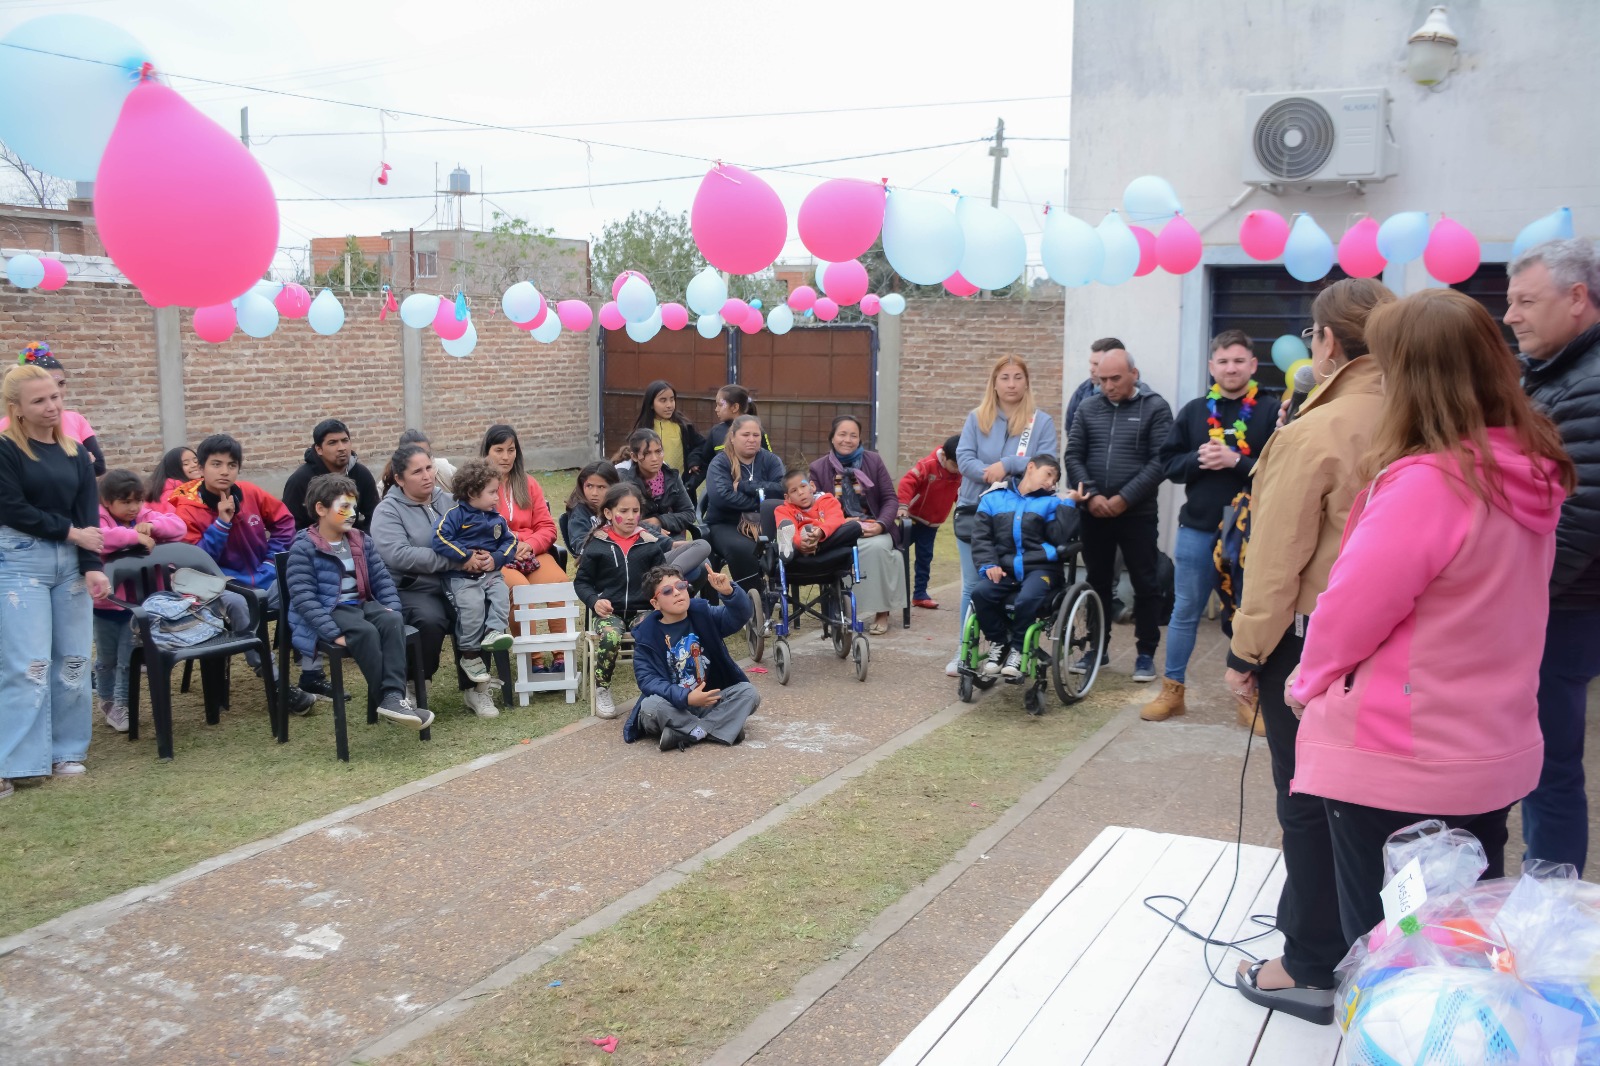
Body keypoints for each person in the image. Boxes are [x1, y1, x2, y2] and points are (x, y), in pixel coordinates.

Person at [1281, 289, 1572, 998]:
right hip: (1486, 743)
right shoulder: (1530, 468)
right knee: (1460, 947)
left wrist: (1304, 684)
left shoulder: (1431, 481)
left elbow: (1351, 611)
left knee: (1390, 960)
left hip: (1396, 751)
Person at [1222, 278, 1394, 1019]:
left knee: (1309, 803)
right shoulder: (1430, 409)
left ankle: (1311, 961)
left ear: (1326, 342)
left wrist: (1246, 652)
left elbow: (1276, 560)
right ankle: (1378, 954)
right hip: (1402, 649)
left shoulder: (1317, 430)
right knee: (1377, 812)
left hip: (1314, 646)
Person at [1505, 238, 1600, 875]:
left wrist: (1511, 602)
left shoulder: (1588, 388)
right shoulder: (1553, 374)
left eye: (1525, 301)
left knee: (1549, 766)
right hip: (1553, 603)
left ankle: (1553, 905)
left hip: (1562, 608)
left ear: (1577, 298)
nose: (1510, 315)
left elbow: (1580, 520)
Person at [1143, 331, 1279, 726]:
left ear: (1252, 365)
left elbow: (1282, 472)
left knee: (1247, 614)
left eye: (1239, 361)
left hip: (1252, 532)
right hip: (1198, 527)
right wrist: (1198, 459)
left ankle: (1248, 698)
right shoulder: (1194, 411)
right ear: (1211, 367)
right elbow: (1167, 465)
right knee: (1185, 609)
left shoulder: (1272, 411)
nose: (1231, 368)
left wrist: (1236, 461)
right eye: (1223, 361)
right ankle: (1172, 692)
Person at [0, 364, 111, 799]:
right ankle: (14, 760)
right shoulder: (6, 449)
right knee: (27, 665)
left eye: (55, 396)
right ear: (17, 409)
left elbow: (87, 513)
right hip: (19, 561)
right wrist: (71, 533)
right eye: (39, 401)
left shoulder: (75, 453)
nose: (52, 406)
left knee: (73, 661)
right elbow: (9, 508)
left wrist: (93, 563)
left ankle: (67, 750)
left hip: (70, 564)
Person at [169, 433, 318, 714]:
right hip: (217, 587)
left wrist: (272, 563)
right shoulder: (185, 508)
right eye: (216, 464)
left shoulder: (250, 492)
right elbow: (196, 563)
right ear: (201, 468)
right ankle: (276, 685)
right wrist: (221, 524)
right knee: (240, 604)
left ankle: (312, 672)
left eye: (232, 464)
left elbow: (285, 522)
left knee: (302, 589)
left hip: (262, 577)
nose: (225, 471)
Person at [286, 474, 432, 729]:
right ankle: (393, 700)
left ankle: (392, 698)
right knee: (364, 631)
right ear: (320, 509)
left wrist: (392, 608)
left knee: (393, 620)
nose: (352, 513)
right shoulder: (305, 546)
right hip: (329, 609)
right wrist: (331, 633)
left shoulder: (360, 540)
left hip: (360, 605)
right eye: (344, 507)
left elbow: (383, 581)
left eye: (353, 506)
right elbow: (303, 598)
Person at [1065, 348, 1174, 682]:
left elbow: (1161, 461)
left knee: (1145, 581)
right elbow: (1073, 455)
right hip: (1094, 512)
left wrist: (1125, 499)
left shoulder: (1155, 408)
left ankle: (1144, 655)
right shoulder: (1087, 407)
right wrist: (1094, 496)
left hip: (1137, 513)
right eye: (1102, 380)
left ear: (1134, 374)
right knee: (1096, 582)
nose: (1108, 386)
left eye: (1115, 379)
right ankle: (1096, 649)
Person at [371, 443, 501, 717]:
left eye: (429, 467)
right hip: (416, 587)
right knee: (431, 619)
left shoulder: (449, 500)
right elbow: (400, 555)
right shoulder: (387, 511)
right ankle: (415, 682)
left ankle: (475, 688)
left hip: (458, 581)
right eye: (417, 471)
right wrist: (459, 559)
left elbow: (477, 531)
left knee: (481, 607)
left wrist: (487, 556)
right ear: (399, 478)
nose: (427, 476)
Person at [951, 355, 1058, 676]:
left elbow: (1046, 461)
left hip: (1022, 517)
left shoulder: (1040, 422)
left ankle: (1013, 645)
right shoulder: (976, 418)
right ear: (994, 383)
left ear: (1026, 382)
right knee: (973, 584)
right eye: (1005, 378)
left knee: (1014, 580)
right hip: (976, 509)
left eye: (1017, 377)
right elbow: (963, 455)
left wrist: (1007, 466)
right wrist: (988, 475)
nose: (1011, 384)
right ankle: (964, 650)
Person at [622, 563, 762, 752]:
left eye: (680, 586)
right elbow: (648, 681)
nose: (678, 593)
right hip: (672, 706)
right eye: (667, 591)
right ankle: (719, 729)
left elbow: (740, 616)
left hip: (706, 700)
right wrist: (686, 697)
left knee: (748, 693)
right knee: (650, 705)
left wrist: (729, 593)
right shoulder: (646, 636)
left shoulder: (703, 614)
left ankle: (688, 733)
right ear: (655, 603)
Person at [969, 455, 1083, 679]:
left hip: (1041, 568)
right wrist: (989, 564)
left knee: (1028, 598)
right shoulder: (993, 499)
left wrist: (1070, 503)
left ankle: (1019, 649)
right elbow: (981, 538)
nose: (1051, 482)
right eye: (1048, 474)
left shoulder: (1052, 502)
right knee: (980, 594)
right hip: (1007, 569)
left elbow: (1059, 537)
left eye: (1055, 479)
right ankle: (1000, 643)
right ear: (1031, 467)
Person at [95, 468, 187, 732]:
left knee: (128, 658)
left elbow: (178, 527)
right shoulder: (99, 520)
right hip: (105, 606)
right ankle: (106, 698)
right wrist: (135, 536)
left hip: (139, 608)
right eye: (125, 502)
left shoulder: (145, 515)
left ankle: (122, 705)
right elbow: (101, 539)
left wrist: (153, 526)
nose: (133, 508)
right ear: (106, 501)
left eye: (137, 500)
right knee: (105, 659)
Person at [575, 483, 671, 720]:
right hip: (610, 613)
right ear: (608, 513)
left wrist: (659, 597)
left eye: (635, 511)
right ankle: (602, 688)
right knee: (610, 636)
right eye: (624, 511)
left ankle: (654, 688)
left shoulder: (649, 543)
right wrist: (595, 601)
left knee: (651, 632)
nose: (630, 517)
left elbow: (661, 578)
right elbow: (582, 582)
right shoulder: (597, 545)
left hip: (643, 609)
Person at [808, 415, 905, 635]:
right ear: (832, 438)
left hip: (873, 525)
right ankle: (842, 609)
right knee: (840, 551)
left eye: (853, 435)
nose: (847, 440)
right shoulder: (818, 468)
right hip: (838, 529)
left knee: (879, 548)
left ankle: (882, 611)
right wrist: (842, 522)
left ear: (860, 439)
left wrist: (881, 524)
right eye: (842, 434)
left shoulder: (873, 461)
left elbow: (890, 499)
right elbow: (815, 505)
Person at [431, 457, 519, 693]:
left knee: (502, 593)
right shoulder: (454, 516)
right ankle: (469, 654)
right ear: (472, 492)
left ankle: (493, 632)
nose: (496, 498)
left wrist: (496, 559)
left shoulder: (497, 519)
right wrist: (466, 557)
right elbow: (439, 539)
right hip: (461, 579)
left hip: (490, 575)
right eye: (492, 492)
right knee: (472, 608)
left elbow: (510, 543)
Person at [704, 414, 785, 597]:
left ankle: (775, 594)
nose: (751, 439)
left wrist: (743, 487)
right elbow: (721, 498)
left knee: (785, 545)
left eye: (756, 435)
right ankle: (751, 598)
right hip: (726, 524)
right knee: (744, 549)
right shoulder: (720, 462)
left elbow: (782, 490)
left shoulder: (771, 460)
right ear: (733, 437)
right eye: (745, 434)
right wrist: (761, 502)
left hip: (767, 523)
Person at [1, 342, 106, 476]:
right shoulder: (4, 429)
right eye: (38, 400)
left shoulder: (76, 419)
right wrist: (79, 461)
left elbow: (99, 466)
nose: (57, 390)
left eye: (61, 383)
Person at [621, 429, 713, 573]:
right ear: (634, 456)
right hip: (639, 541)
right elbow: (623, 519)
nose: (655, 458)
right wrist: (654, 528)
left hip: (671, 535)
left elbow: (689, 513)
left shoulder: (671, 476)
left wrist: (660, 520)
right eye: (647, 453)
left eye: (658, 451)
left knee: (702, 564)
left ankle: (677, 588)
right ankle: (666, 582)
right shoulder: (625, 481)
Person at [897, 434, 962, 609]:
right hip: (911, 519)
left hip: (931, 524)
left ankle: (919, 594)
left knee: (925, 558)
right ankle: (892, 592)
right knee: (895, 553)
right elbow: (906, 483)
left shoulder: (960, 473)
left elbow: (959, 494)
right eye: (954, 465)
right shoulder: (927, 465)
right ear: (944, 457)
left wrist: (962, 509)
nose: (957, 470)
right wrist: (903, 505)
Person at [281, 419, 380, 532]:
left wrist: (362, 543)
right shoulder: (300, 480)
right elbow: (291, 527)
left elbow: (375, 516)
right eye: (332, 443)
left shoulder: (361, 474)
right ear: (319, 449)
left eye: (345, 440)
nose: (342, 448)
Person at [633, 380, 706, 494]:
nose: (669, 405)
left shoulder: (684, 426)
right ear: (651, 404)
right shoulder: (643, 429)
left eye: (672, 399)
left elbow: (701, 445)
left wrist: (693, 460)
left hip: (680, 488)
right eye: (663, 400)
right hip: (649, 489)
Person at [775, 468, 863, 559]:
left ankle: (812, 544)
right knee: (790, 529)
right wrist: (799, 543)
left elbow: (835, 519)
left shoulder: (828, 501)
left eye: (803, 486)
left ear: (812, 486)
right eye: (794, 491)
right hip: (801, 548)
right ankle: (789, 547)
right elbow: (789, 527)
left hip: (827, 541)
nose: (800, 492)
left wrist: (821, 532)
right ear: (787, 498)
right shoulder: (784, 510)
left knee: (854, 527)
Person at [689, 385, 772, 477]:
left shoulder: (758, 431)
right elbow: (705, 458)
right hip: (723, 485)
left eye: (720, 405)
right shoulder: (716, 431)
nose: (716, 409)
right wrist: (694, 460)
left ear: (735, 407)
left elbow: (770, 461)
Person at [1064, 337, 1123, 440]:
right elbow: (1071, 432)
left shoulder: (1142, 398)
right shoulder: (1082, 392)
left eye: (1097, 364)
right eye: (1091, 363)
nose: (1091, 369)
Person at [561, 460, 620, 558]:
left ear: (614, 487)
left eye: (601, 487)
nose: (594, 493)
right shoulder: (579, 511)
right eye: (589, 486)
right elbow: (580, 544)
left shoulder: (621, 506)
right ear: (582, 485)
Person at [397, 428, 456, 492]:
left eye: (426, 454)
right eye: (417, 472)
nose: (426, 476)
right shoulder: (393, 495)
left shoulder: (446, 470)